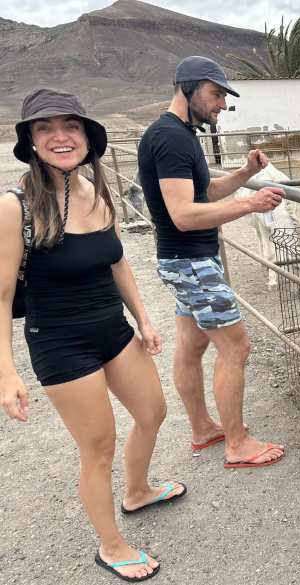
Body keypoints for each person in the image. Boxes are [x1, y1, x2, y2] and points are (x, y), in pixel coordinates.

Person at [0, 89, 185, 582]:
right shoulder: (13, 206)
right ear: (32, 141)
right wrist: (7, 373)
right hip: (60, 342)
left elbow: (117, 259)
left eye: (71, 126)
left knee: (153, 411)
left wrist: (143, 318)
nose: (60, 136)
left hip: (112, 329)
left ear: (87, 137)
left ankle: (138, 491)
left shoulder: (98, 192)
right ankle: (110, 544)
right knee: (98, 445)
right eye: (45, 128)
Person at [137, 56, 286, 468]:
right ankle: (237, 443)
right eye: (216, 93)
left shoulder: (176, 134)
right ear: (189, 88)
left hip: (183, 261)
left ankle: (203, 428)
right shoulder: (171, 137)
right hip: (191, 262)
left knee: (192, 344)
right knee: (236, 347)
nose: (222, 104)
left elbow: (202, 192)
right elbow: (184, 215)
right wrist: (249, 204)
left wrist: (244, 173)